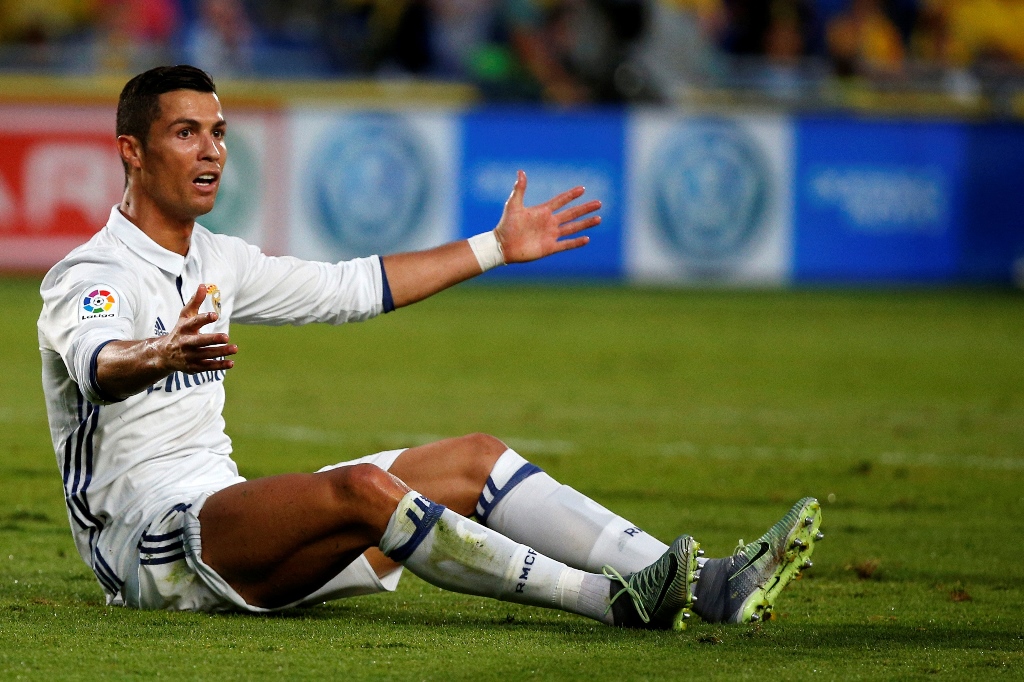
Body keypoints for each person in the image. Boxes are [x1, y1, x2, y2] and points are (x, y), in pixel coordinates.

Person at [37, 64, 822, 627]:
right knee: (361, 489)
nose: (211, 151)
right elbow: (97, 366)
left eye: (218, 132)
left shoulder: (218, 259)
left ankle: (707, 583)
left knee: (475, 456)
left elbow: (350, 289)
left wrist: (495, 248)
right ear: (131, 151)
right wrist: (158, 355)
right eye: (185, 133)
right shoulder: (92, 274)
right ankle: (610, 600)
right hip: (151, 548)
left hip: (231, 521)